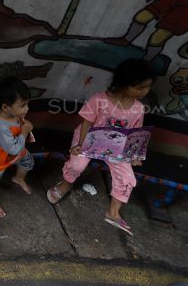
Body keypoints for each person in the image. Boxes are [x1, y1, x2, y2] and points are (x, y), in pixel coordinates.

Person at [47, 59, 155, 236]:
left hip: (117, 146)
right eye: (140, 87)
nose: (145, 91)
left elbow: (134, 134)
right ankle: (65, 185)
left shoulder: (138, 109)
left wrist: (134, 155)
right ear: (123, 84)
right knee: (77, 165)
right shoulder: (99, 99)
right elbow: (86, 123)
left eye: (147, 87)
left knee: (127, 176)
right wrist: (79, 145)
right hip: (89, 139)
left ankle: (113, 213)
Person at [0, 76, 35, 218]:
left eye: (27, 104)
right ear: (5, 107)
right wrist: (25, 131)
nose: (27, 108)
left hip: (14, 152)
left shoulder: (12, 113)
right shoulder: (2, 128)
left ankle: (18, 178)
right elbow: (13, 148)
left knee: (28, 162)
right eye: (23, 105)